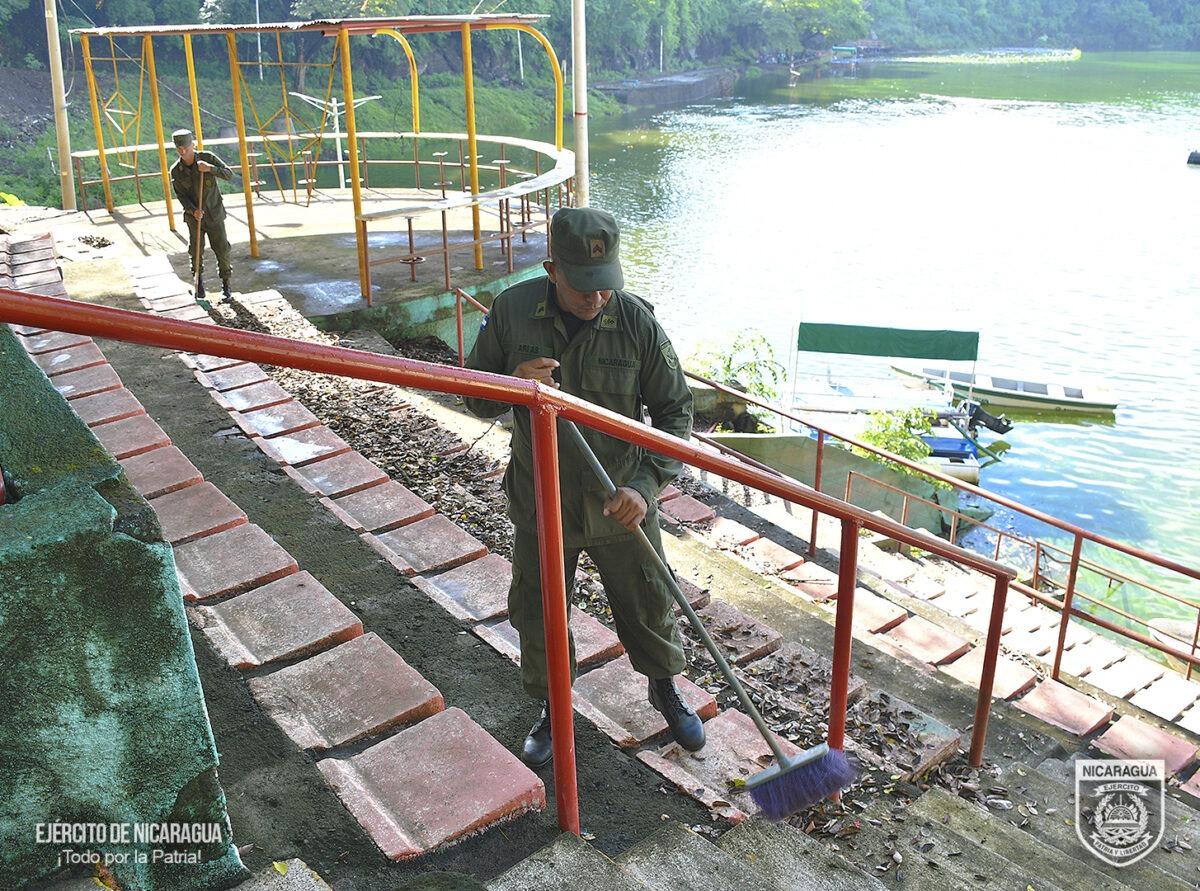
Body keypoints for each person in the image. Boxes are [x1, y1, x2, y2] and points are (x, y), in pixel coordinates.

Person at [464, 207, 704, 768]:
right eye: (582, 288)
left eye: (605, 285)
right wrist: (510, 384)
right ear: (553, 269)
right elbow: (472, 396)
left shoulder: (636, 321)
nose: (596, 299)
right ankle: (553, 704)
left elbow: (675, 412)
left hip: (620, 498)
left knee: (648, 597)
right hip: (541, 495)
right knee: (539, 606)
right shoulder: (511, 311)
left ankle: (664, 686)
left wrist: (646, 487)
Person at [170, 129, 235, 301]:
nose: (183, 151)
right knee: (195, 251)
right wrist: (193, 210)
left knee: (222, 249)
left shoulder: (207, 157)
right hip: (194, 218)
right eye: (179, 149)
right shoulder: (176, 171)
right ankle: (199, 285)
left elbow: (229, 174)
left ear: (193, 145)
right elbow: (181, 196)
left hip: (214, 213)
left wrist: (210, 169)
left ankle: (226, 286)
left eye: (186, 147)